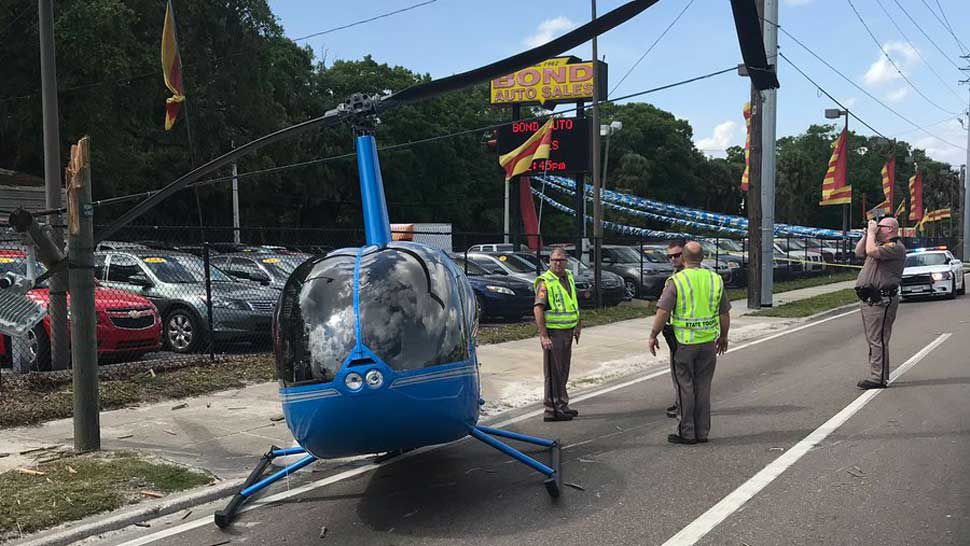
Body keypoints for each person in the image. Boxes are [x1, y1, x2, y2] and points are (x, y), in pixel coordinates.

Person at [648, 241, 730, 444]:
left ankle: (687, 432)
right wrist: (724, 336)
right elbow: (724, 313)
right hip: (708, 342)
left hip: (684, 343)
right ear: (702, 258)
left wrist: (653, 334)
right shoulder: (715, 279)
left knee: (685, 387)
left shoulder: (677, 281)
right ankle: (702, 432)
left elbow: (663, 311)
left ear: (683, 259)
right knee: (703, 387)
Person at [853, 216, 906, 389]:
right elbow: (859, 252)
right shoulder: (877, 245)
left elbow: (871, 252)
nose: (877, 229)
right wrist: (866, 235)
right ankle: (878, 374)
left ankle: (878, 378)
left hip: (882, 300)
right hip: (869, 298)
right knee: (873, 339)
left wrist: (870, 233)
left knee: (878, 340)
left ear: (890, 229)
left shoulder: (895, 247)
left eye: (880, 227)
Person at [534, 247, 582, 422]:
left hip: (568, 331)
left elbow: (573, 302)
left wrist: (577, 325)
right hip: (554, 334)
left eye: (561, 260)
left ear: (566, 261)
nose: (557, 263)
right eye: (554, 260)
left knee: (563, 371)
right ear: (549, 261)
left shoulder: (568, 277)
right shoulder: (545, 282)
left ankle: (562, 404)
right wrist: (544, 335)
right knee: (553, 373)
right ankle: (551, 409)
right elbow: (538, 309)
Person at [662, 238, 686, 419]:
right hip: (679, 331)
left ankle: (683, 406)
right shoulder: (676, 275)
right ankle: (682, 402)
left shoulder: (681, 278)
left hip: (684, 333)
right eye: (669, 256)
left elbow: (664, 307)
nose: (673, 259)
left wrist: (654, 332)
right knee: (682, 375)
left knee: (682, 375)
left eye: (677, 255)